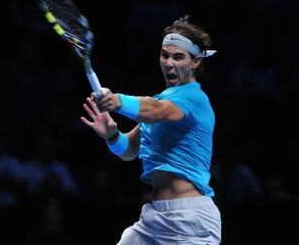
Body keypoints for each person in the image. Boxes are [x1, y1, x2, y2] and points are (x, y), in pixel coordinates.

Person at [81, 15, 221, 244]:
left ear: (195, 62)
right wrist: (112, 136)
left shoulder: (193, 98)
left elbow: (157, 111)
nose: (169, 63)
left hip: (190, 221)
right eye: (165, 55)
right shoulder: (160, 102)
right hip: (154, 219)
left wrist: (117, 100)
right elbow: (129, 151)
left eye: (178, 57)